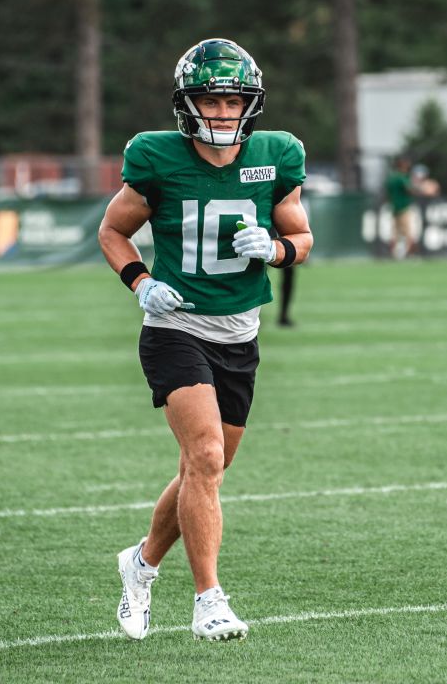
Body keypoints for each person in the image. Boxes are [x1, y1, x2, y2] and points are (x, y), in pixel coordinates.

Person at [97, 38, 313, 642]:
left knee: (205, 470)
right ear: (186, 103)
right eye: (209, 100)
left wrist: (273, 249)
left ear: (251, 104)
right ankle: (208, 600)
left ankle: (140, 563)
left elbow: (301, 236)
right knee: (206, 456)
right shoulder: (155, 157)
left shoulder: (278, 155)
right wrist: (140, 283)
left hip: (239, 333)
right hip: (175, 326)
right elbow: (113, 230)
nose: (220, 112)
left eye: (231, 100)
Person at [385, 155, 416, 258]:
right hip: (404, 208)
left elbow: (387, 193)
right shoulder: (402, 177)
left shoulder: (391, 177)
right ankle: (409, 255)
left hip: (394, 208)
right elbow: (409, 190)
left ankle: (394, 255)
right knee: (408, 233)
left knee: (395, 233)